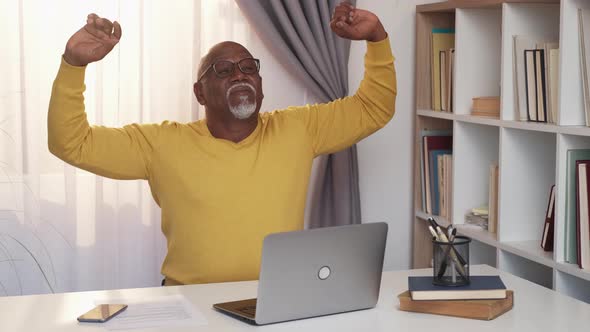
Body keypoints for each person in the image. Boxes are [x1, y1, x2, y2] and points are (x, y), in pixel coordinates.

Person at [48, 2, 397, 286]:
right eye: (224, 69)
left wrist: (377, 38)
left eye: (248, 67)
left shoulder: (298, 128)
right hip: (187, 305)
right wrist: (73, 65)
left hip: (276, 300)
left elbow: (373, 107)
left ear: (260, 86)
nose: (240, 73)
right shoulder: (160, 143)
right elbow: (72, 143)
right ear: (200, 92)